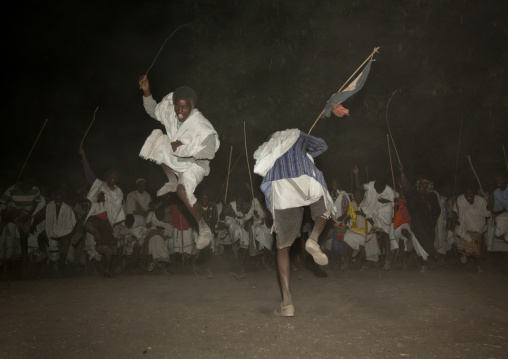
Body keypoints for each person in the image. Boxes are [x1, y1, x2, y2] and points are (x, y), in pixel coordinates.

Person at [253, 129, 333, 317]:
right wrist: (305, 146)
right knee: (325, 205)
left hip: (281, 185)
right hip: (305, 176)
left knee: (283, 247)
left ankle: (287, 303)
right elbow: (322, 145)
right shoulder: (297, 134)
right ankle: (313, 238)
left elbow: (259, 161)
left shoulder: (270, 145)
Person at [138, 75, 219, 251]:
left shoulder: (200, 124)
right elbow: (153, 110)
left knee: (183, 191)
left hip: (195, 165)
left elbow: (210, 152)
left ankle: (203, 227)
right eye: (177, 105)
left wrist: (184, 148)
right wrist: (146, 91)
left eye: (184, 107)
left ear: (193, 106)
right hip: (177, 158)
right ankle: (172, 180)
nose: (179, 111)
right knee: (158, 138)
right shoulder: (171, 112)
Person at [79, 147, 126, 277]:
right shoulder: (100, 184)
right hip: (94, 218)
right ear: (107, 177)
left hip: (107, 221)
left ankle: (107, 269)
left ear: (117, 180)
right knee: (91, 242)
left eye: (115, 178)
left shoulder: (118, 192)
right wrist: (84, 157)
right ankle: (91, 269)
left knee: (109, 245)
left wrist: (104, 201)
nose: (112, 179)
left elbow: (116, 207)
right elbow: (89, 175)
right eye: (111, 177)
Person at [353, 166, 395, 269]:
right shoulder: (371, 185)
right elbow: (358, 186)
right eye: (376, 190)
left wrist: (383, 201)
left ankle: (387, 261)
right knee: (367, 229)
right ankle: (361, 250)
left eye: (379, 191)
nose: (377, 192)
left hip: (384, 210)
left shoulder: (389, 190)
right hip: (372, 210)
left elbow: (392, 200)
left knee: (386, 234)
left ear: (384, 188)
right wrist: (356, 174)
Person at [0, 176, 41, 272]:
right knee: (14, 212)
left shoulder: (35, 190)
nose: (28, 188)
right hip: (13, 211)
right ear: (21, 184)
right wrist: (4, 211)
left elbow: (35, 204)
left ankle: (24, 267)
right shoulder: (12, 189)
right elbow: (2, 202)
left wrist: (28, 215)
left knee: (24, 236)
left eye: (30, 186)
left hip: (26, 213)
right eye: (26, 186)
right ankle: (2, 224)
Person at [31, 190, 76, 275]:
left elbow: (73, 223)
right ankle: (44, 253)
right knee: (41, 237)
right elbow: (38, 216)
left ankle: (61, 268)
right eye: (56, 198)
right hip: (51, 230)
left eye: (60, 199)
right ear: (54, 199)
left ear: (63, 199)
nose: (58, 200)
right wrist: (33, 225)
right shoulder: (49, 207)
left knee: (64, 247)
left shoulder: (68, 209)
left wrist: (68, 234)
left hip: (64, 232)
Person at [454, 186, 491, 272]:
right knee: (465, 242)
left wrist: (489, 207)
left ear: (475, 193)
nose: (468, 195)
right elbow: (456, 213)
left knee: (476, 246)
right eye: (466, 193)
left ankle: (477, 265)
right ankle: (464, 254)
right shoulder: (460, 199)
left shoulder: (481, 200)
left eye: (470, 193)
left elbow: (487, 214)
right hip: (465, 225)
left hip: (477, 226)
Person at [343, 189, 380, 270]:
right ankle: (346, 263)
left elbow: (371, 220)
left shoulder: (366, 205)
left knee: (361, 245)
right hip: (355, 227)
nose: (357, 196)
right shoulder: (352, 204)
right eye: (355, 195)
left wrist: (363, 214)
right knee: (345, 240)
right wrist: (346, 219)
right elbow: (350, 216)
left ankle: (364, 264)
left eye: (359, 195)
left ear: (362, 196)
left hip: (364, 228)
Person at [492, 174, 508, 242]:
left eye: (500, 179)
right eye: (496, 180)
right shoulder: (496, 193)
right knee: (498, 219)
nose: (498, 181)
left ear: (506, 180)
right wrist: (490, 207)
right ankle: (506, 236)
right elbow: (497, 208)